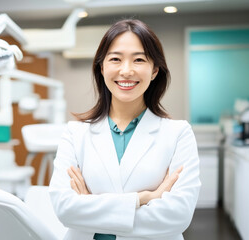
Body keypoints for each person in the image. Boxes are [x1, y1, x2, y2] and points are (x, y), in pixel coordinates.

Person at [49, 19, 201, 240]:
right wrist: (143, 199)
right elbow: (65, 210)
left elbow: (178, 216)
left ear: (155, 70)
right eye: (115, 59)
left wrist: (89, 206)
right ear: (102, 68)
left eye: (139, 59)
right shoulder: (75, 133)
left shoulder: (178, 134)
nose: (126, 70)